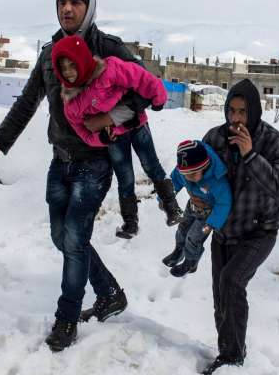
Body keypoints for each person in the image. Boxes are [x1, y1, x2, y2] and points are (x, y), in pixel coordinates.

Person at [0, 0, 143, 352]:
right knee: (63, 237)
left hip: (96, 162)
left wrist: (108, 120)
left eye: (75, 3)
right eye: (62, 3)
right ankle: (110, 293)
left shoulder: (109, 48)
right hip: (61, 161)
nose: (67, 9)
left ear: (90, 7)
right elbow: (27, 103)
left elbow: (144, 92)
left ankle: (66, 319)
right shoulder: (50, 53)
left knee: (73, 241)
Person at [199, 79, 279, 375]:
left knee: (231, 281)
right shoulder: (215, 138)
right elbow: (198, 178)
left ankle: (232, 357)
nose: (236, 118)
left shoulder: (273, 141)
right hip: (224, 231)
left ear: (254, 111)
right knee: (220, 295)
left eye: (243, 111)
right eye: (232, 111)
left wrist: (251, 155)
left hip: (259, 232)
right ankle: (227, 350)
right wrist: (197, 197)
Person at [52, 35, 183, 239]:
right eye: (63, 67)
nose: (68, 72)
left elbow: (142, 78)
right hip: (115, 137)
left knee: (151, 165)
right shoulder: (72, 104)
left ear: (83, 60)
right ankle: (130, 223)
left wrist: (159, 98)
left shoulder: (109, 69)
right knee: (125, 178)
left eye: (72, 64)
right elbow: (85, 134)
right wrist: (102, 140)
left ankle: (172, 208)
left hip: (137, 123)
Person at [162, 140, 232, 278]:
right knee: (182, 229)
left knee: (193, 238)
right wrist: (165, 198)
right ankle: (179, 250)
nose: (189, 178)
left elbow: (224, 203)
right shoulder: (184, 172)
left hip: (207, 218)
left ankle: (190, 262)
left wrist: (211, 224)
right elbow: (173, 182)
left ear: (204, 167)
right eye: (185, 174)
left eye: (193, 174)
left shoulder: (216, 180)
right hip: (192, 207)